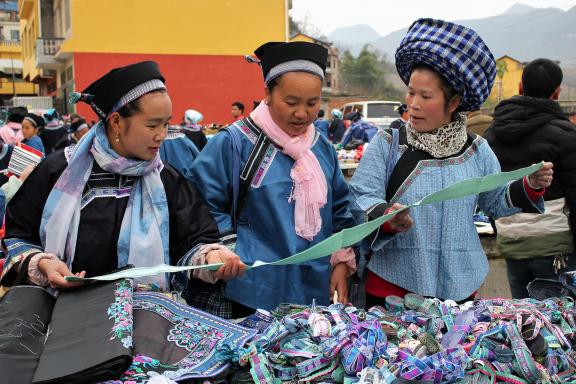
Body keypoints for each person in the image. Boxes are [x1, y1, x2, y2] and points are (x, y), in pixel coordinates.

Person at [0, 61, 244, 317]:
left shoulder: (167, 180)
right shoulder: (58, 172)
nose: (161, 135)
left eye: (165, 124)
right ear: (116, 122)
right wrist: (44, 263)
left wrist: (212, 256)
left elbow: (195, 240)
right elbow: (18, 237)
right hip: (62, 320)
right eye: (152, 125)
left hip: (144, 324)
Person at [349, 18, 553, 306]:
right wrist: (387, 216)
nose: (413, 104)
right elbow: (359, 197)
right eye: (410, 92)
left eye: (425, 96)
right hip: (392, 291)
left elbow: (494, 202)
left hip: (459, 291)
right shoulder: (389, 144)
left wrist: (529, 185)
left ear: (454, 102)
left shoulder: (477, 150)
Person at [190, 41, 356, 317]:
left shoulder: (320, 146)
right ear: (267, 93)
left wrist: (340, 262)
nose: (302, 113)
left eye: (312, 103)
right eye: (291, 102)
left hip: (314, 286)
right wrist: (230, 251)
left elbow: (340, 209)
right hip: (252, 288)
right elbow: (202, 206)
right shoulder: (235, 143)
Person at [484, 58, 576, 298]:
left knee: (523, 325)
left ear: (520, 88)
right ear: (556, 93)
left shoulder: (491, 135)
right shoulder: (566, 134)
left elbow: (487, 192)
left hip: (512, 242)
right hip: (555, 245)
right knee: (559, 327)